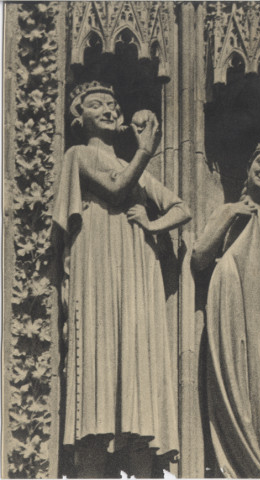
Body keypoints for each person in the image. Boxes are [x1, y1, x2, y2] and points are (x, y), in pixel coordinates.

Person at [53, 81, 191, 478]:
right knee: (99, 353)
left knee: (135, 359)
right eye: (98, 106)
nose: (111, 110)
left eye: (114, 104)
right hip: (97, 264)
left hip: (134, 270)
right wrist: (145, 149)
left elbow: (182, 208)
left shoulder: (139, 173)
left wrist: (151, 223)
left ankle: (139, 458)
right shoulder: (79, 155)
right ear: (80, 119)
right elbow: (115, 189)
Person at [192, 140, 260, 478]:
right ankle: (240, 463)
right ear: (250, 163)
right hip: (232, 316)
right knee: (236, 386)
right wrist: (228, 214)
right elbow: (199, 259)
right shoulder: (227, 211)